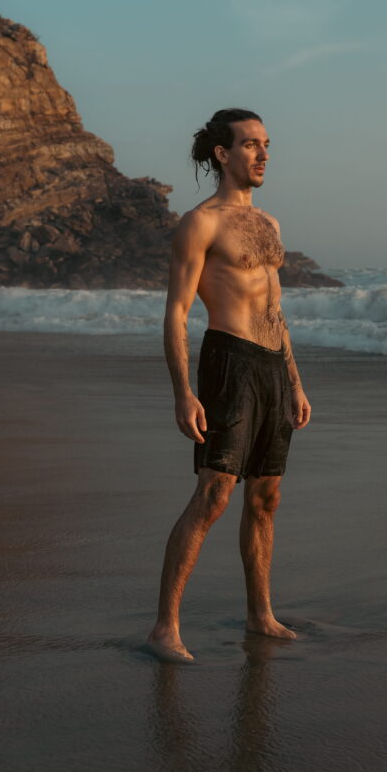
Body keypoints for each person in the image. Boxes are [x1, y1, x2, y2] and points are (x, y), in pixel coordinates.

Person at [147, 108, 311, 662]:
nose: (263, 154)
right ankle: (165, 627)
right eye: (250, 145)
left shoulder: (269, 224)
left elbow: (276, 308)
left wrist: (293, 380)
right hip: (229, 364)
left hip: (269, 368)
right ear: (223, 153)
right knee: (215, 494)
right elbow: (175, 312)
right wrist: (182, 391)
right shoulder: (201, 223)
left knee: (265, 498)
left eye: (267, 144)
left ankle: (260, 614)